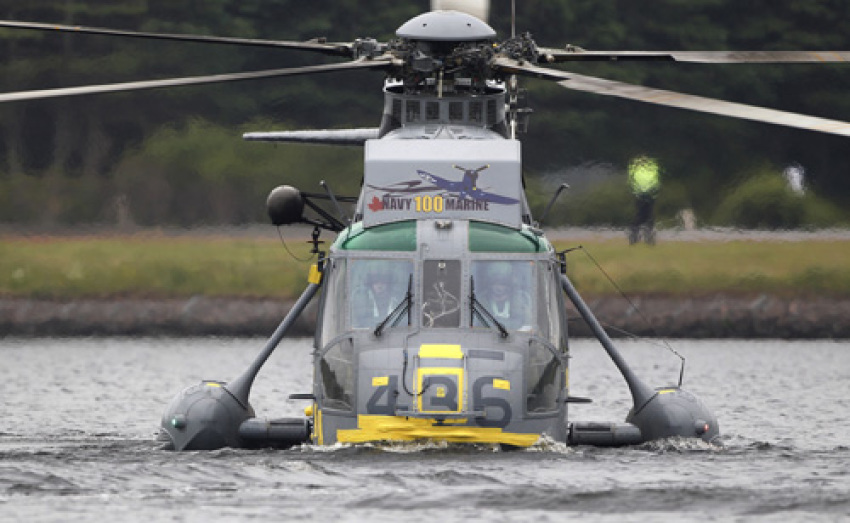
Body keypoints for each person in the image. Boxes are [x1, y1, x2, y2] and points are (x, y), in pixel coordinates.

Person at [478, 262, 532, 330]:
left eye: (503, 284)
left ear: (510, 285)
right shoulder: (480, 300)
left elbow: (529, 323)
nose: (499, 288)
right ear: (489, 284)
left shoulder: (523, 299)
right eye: (495, 283)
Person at [628, 155, 661, 245]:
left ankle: (645, 238)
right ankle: (637, 237)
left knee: (647, 217)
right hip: (643, 196)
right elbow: (655, 183)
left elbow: (655, 182)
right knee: (642, 217)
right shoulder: (639, 171)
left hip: (646, 196)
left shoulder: (648, 170)